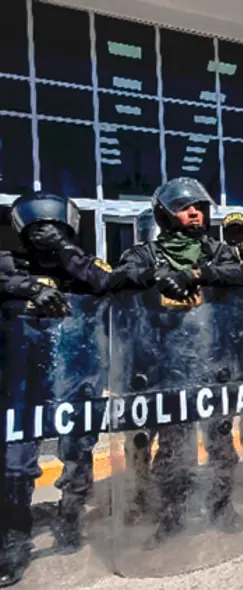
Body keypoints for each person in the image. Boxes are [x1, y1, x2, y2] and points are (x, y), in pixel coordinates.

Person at [115, 177, 243, 548]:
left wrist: (197, 273)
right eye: (186, 207)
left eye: (201, 208)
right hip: (168, 369)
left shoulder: (216, 251)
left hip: (214, 365)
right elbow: (120, 278)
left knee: (222, 445)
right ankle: (171, 517)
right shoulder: (147, 253)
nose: (196, 213)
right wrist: (157, 276)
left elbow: (242, 275)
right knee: (174, 450)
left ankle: (223, 508)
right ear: (164, 214)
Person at [0, 192, 121, 587]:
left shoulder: (79, 265)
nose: (44, 235)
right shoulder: (9, 263)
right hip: (22, 382)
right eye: (37, 228)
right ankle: (15, 538)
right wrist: (30, 287)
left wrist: (66, 252)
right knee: (16, 464)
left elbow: (108, 282)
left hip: (75, 376)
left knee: (77, 449)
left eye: (52, 228)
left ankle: (71, 513)